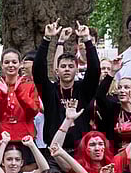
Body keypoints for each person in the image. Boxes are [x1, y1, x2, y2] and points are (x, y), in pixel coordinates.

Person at [33, 21, 101, 153]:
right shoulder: (50, 90)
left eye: (71, 66)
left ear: (76, 70)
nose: (67, 70)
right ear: (56, 71)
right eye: (63, 66)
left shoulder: (83, 89)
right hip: (54, 149)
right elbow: (38, 70)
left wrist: (87, 40)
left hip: (81, 150)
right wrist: (47, 39)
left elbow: (95, 70)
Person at [0, 50, 40, 159]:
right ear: (1, 65)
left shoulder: (30, 85)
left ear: (20, 64)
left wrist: (19, 92)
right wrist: (3, 95)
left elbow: (33, 112)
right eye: (6, 62)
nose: (10, 65)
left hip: (24, 138)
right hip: (1, 137)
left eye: (14, 62)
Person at [95, 74, 131, 152]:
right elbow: (100, 96)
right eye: (119, 88)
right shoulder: (112, 109)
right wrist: (111, 73)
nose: (122, 90)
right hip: (116, 154)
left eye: (126, 87)